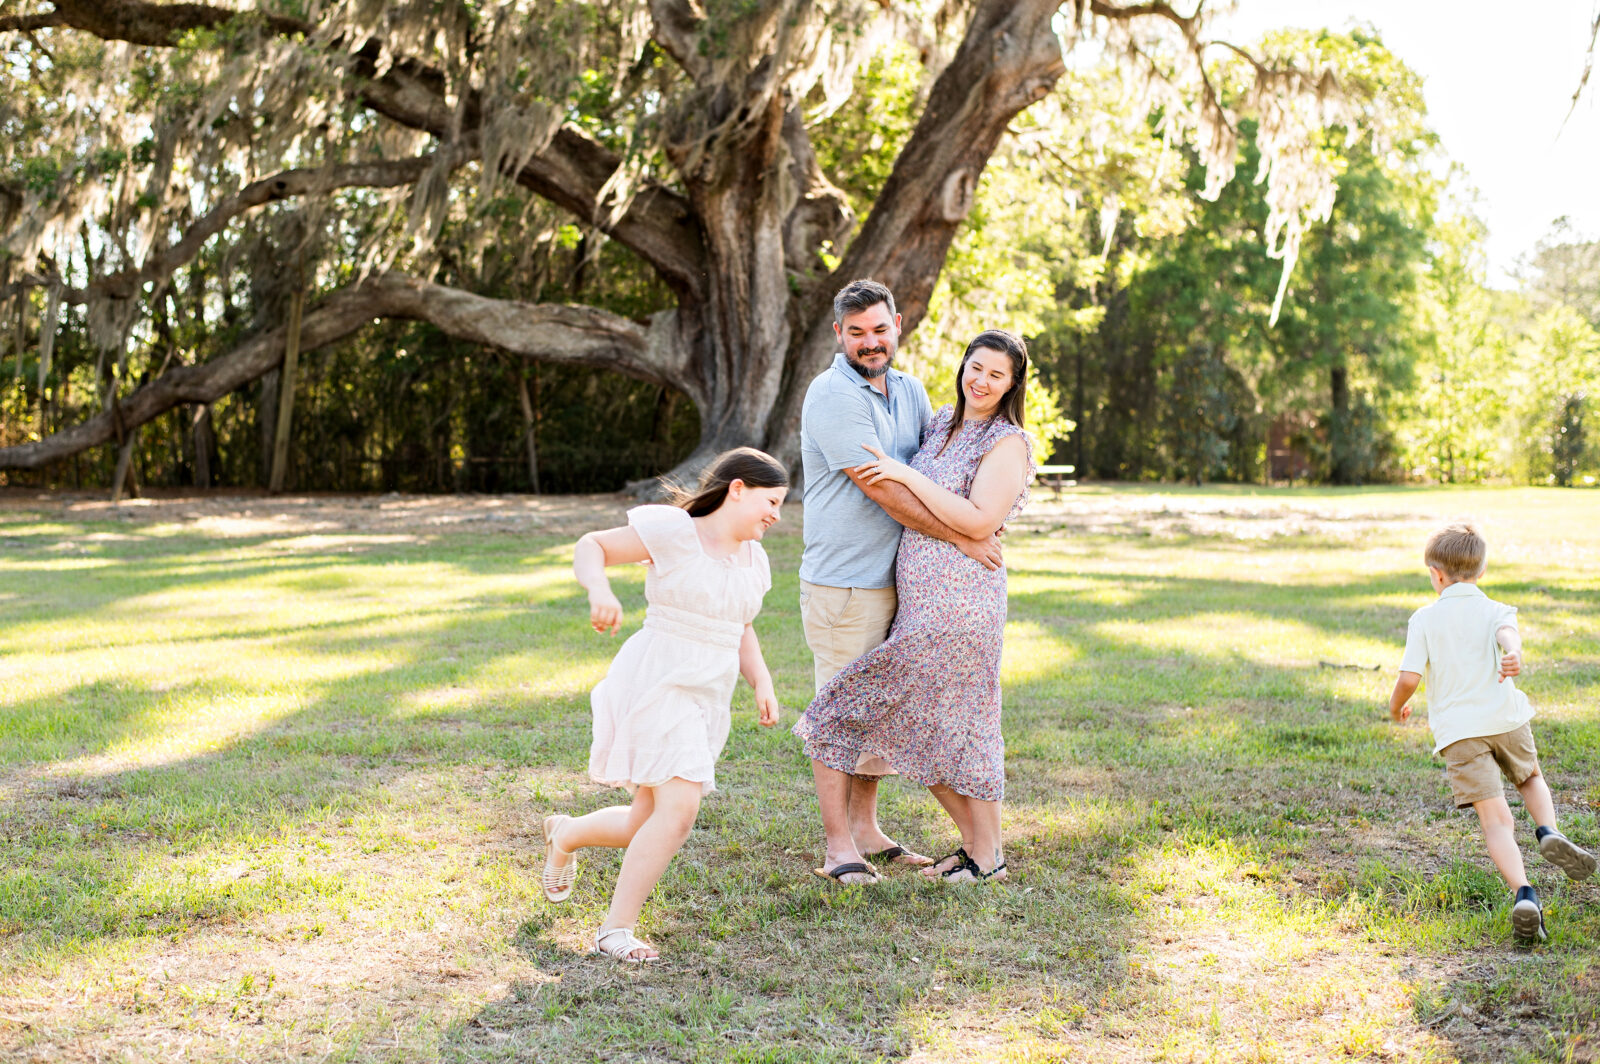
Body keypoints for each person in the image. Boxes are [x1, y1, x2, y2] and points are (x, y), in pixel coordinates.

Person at [795, 329, 1034, 884]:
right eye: (975, 367)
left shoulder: (1008, 442)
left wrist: (903, 473)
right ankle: (979, 851)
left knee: (963, 725)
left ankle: (988, 855)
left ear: (1013, 383)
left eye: (996, 374)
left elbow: (978, 521)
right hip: (917, 602)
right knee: (928, 727)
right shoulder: (941, 424)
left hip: (961, 603)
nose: (981, 380)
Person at [540, 448, 786, 962]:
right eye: (771, 501)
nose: (776, 515)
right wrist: (599, 588)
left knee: (641, 821)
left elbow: (740, 625)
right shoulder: (675, 532)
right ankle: (615, 931)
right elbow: (592, 545)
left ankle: (565, 833)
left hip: (707, 695)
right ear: (737, 489)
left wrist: (761, 680)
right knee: (679, 810)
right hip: (657, 681)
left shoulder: (754, 560)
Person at [1388, 522, 1596, 943]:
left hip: (1459, 733)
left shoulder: (1424, 618)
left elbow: (1409, 678)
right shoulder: (1496, 609)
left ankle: (1524, 893)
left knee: (1496, 820)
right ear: (1481, 572)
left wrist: (1396, 707)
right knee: (1531, 777)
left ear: (1437, 575)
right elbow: (1506, 635)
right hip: (1505, 717)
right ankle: (1549, 831)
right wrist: (1512, 652)